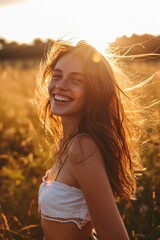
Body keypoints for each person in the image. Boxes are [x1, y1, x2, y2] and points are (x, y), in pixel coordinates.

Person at [36, 39, 144, 240]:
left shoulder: (82, 148)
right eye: (57, 76)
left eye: (76, 79)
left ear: (93, 91)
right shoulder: (66, 143)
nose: (60, 85)